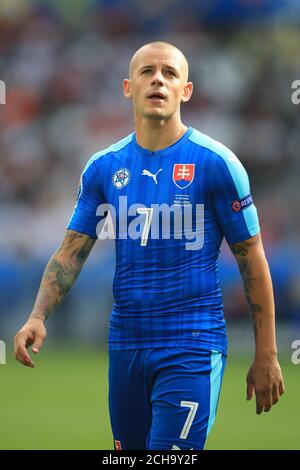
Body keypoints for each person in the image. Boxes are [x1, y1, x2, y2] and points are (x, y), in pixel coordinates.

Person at [14, 41, 285, 450]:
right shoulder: (104, 167)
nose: (158, 78)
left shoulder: (217, 164)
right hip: (126, 344)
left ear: (186, 91)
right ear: (128, 87)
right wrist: (38, 315)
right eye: (147, 71)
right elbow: (72, 250)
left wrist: (267, 353)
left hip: (192, 343)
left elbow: (252, 258)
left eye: (170, 73)